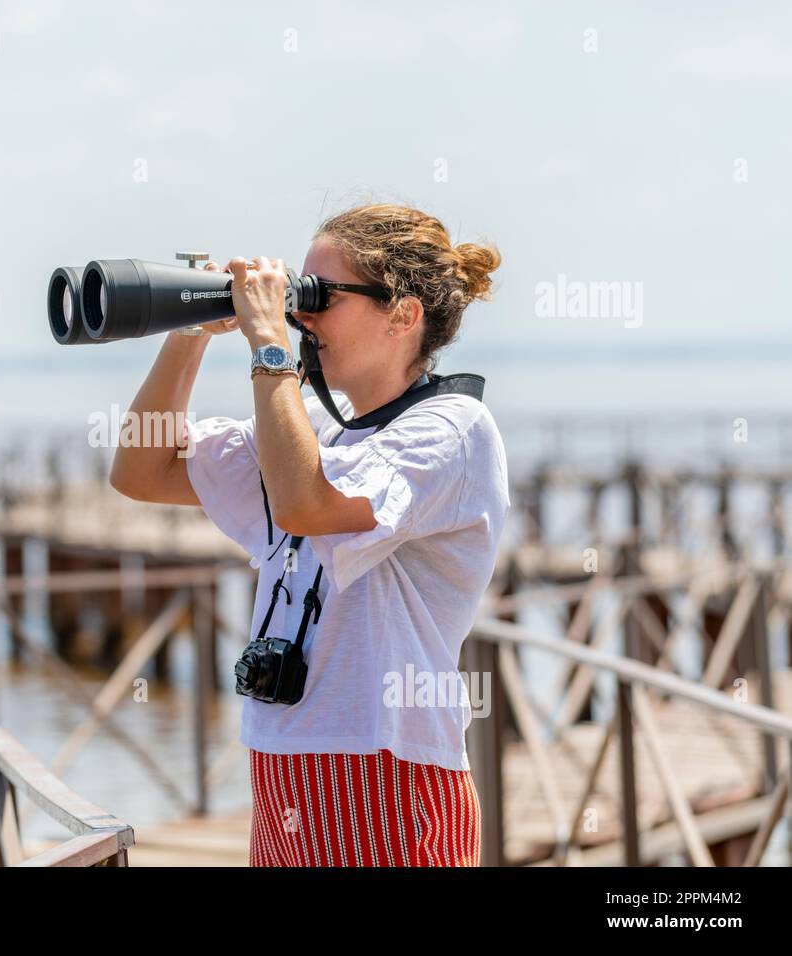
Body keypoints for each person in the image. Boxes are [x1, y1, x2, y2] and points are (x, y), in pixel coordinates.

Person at [109, 203, 509, 866]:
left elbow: (305, 503)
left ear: (404, 315)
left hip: (391, 784)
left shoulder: (453, 430)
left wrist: (267, 343)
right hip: (283, 775)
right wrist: (191, 333)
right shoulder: (315, 433)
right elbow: (142, 468)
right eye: (300, 295)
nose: (301, 316)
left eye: (321, 298)